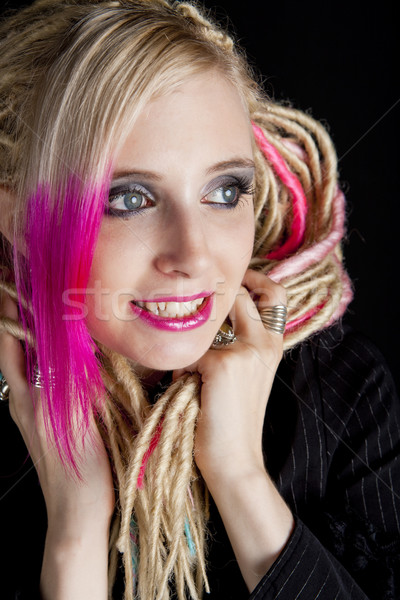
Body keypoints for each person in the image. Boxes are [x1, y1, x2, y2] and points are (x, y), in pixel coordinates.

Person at [0, 1, 398, 599]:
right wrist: (76, 533)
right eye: (129, 199)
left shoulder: (344, 386)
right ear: (18, 219)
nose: (193, 254)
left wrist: (239, 476)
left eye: (225, 190)